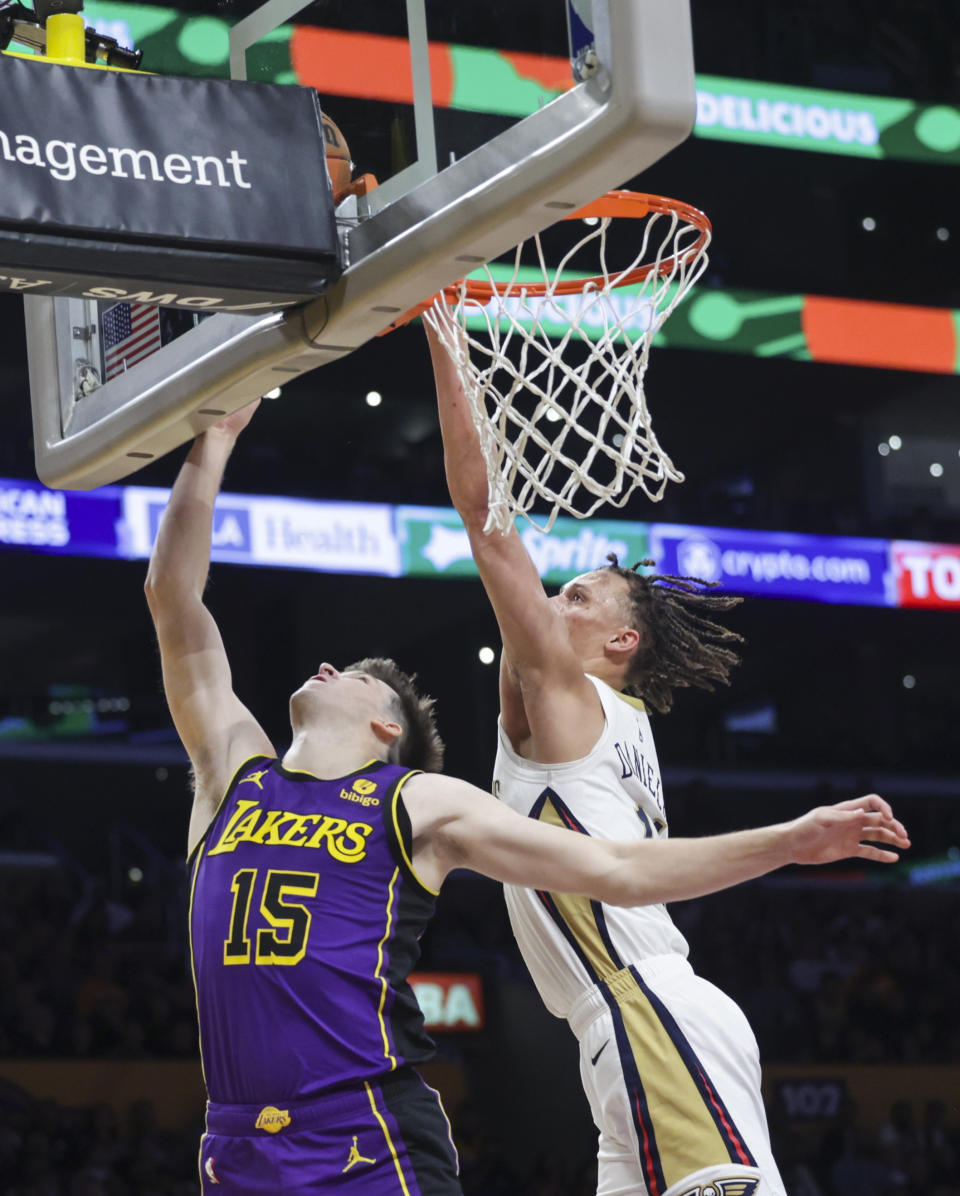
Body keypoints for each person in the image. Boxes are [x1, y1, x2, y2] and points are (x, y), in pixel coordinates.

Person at [145, 401, 908, 1196]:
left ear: (385, 726)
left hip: (368, 1129)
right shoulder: (236, 774)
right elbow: (172, 596)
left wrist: (791, 840)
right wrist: (216, 439)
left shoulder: (420, 796)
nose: (547, 608)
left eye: (573, 598)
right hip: (238, 1139)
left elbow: (616, 866)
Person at [426, 321, 910, 1196]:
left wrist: (445, 334)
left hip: (645, 1008)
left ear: (619, 637)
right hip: (627, 1019)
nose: (548, 601)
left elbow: (491, 530)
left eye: (574, 595)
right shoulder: (612, 721)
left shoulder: (572, 702)